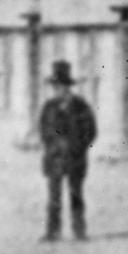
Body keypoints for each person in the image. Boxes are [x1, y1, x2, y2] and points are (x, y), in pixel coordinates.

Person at [38, 60, 97, 241]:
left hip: (75, 158)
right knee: (54, 197)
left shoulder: (81, 106)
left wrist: (77, 147)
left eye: (61, 86)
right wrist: (53, 145)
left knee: (76, 194)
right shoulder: (49, 107)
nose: (58, 90)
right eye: (55, 86)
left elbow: (91, 130)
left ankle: (79, 230)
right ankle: (52, 231)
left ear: (68, 87)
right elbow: (43, 130)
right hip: (55, 158)